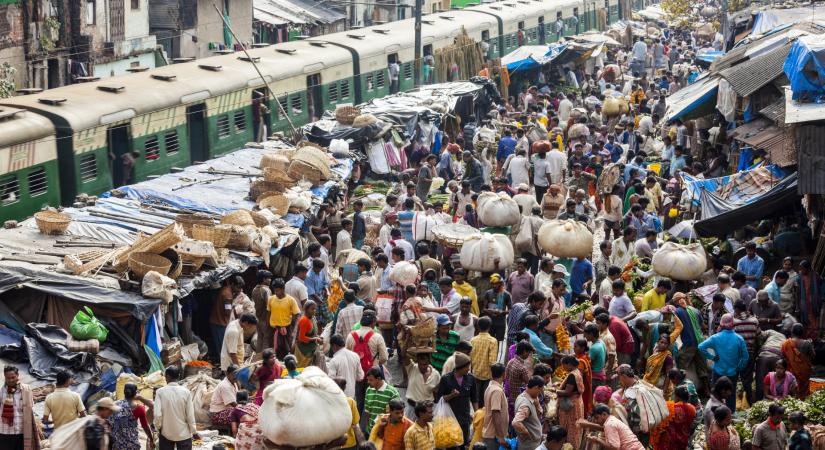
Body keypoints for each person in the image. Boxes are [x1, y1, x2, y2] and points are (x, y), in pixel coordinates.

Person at [698, 314, 748, 411]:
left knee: (716, 395)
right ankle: (730, 416)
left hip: (718, 372)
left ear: (721, 324)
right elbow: (745, 357)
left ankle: (715, 414)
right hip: (732, 373)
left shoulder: (715, 337)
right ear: (733, 324)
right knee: (731, 395)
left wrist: (712, 357)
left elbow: (701, 347)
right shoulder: (739, 339)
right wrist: (740, 367)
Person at [436, 352, 477, 448]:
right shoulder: (446, 379)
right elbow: (439, 399)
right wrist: (451, 395)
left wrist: (476, 414)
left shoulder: (471, 379)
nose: (469, 369)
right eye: (467, 367)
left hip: (464, 419)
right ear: (460, 368)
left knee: (463, 444)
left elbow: (474, 398)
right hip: (450, 419)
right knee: (451, 445)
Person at [154, 366, 198, 450]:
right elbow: (190, 415)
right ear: (178, 376)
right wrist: (194, 431)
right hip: (184, 434)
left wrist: (158, 428)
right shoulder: (186, 392)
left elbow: (157, 414)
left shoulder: (160, 392)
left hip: (166, 433)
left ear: (167, 377)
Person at [579, 403, 645, 450]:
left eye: (597, 418)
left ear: (604, 414)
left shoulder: (609, 424)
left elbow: (614, 447)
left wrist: (597, 440)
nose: (596, 421)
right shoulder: (611, 420)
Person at [109, 382, 154, 450]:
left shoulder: (115, 404)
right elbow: (145, 426)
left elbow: (110, 423)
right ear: (135, 393)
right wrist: (151, 439)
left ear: (124, 392)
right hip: (132, 443)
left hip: (117, 443)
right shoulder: (139, 408)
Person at [556, 355, 585, 448]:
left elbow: (568, 392)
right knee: (575, 427)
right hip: (577, 403)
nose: (563, 367)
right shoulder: (577, 372)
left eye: (563, 365)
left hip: (571, 406)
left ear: (569, 364)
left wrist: (555, 391)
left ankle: (569, 446)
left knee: (570, 428)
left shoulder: (572, 375)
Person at [267, 278, 301, 360]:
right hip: (275, 328)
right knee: (276, 348)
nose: (276, 293)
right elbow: (268, 312)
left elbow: (297, 314)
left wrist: (293, 328)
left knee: (290, 347)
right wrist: (269, 324)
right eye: (275, 291)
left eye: (278, 290)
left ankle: (292, 362)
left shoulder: (290, 300)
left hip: (287, 328)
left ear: (283, 289)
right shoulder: (271, 299)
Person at [511, 376, 545, 450]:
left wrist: (537, 404)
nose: (540, 393)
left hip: (531, 443)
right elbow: (516, 422)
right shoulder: (525, 404)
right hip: (529, 445)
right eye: (540, 390)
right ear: (536, 387)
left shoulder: (525, 396)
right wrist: (526, 433)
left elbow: (538, 416)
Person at [404, 351, 440, 420]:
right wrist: (408, 340)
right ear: (417, 362)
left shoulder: (436, 375)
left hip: (427, 410)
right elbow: (403, 354)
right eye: (421, 364)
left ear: (429, 361)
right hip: (412, 408)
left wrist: (435, 408)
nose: (423, 367)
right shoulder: (412, 368)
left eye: (425, 364)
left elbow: (436, 392)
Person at [470, 317, 498, 405]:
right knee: (486, 400)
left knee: (476, 399)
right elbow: (492, 362)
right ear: (489, 327)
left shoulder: (473, 340)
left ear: (478, 327)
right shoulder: (492, 341)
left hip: (475, 373)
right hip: (488, 375)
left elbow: (469, 358)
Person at [364, 367, 401, 435]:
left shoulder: (392, 393)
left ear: (378, 379)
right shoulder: (369, 390)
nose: (368, 382)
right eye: (368, 380)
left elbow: (396, 414)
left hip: (386, 432)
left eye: (371, 380)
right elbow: (367, 411)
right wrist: (367, 427)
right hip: (370, 431)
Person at [782, 323, 814, 399]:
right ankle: (803, 405)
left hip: (791, 371)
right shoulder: (807, 343)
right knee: (803, 392)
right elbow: (812, 355)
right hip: (804, 372)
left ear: (792, 332)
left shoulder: (786, 343)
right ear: (803, 332)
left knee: (791, 390)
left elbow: (783, 357)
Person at [328, 334, 365, 399]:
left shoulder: (334, 361)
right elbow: (360, 377)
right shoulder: (355, 356)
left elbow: (331, 381)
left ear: (334, 346)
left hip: (339, 396)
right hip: (352, 395)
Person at [482, 363, 508, 450]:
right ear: (504, 374)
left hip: (492, 435)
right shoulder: (497, 391)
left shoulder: (491, 387)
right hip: (493, 436)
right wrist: (501, 436)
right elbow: (495, 413)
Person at [505, 341, 534, 417]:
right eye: (528, 353)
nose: (528, 355)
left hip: (510, 396)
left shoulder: (510, 362)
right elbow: (529, 382)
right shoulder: (522, 368)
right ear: (524, 352)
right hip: (519, 398)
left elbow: (506, 377)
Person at [704, 376, 734, 443]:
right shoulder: (711, 408)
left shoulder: (721, 400)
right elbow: (716, 430)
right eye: (729, 391)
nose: (730, 394)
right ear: (723, 391)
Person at [295, 300, 323, 368]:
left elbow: (313, 333)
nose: (314, 311)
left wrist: (318, 337)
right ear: (306, 309)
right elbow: (301, 338)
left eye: (315, 309)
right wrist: (315, 339)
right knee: (302, 369)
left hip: (311, 349)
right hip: (303, 351)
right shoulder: (304, 320)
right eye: (312, 309)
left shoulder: (313, 318)